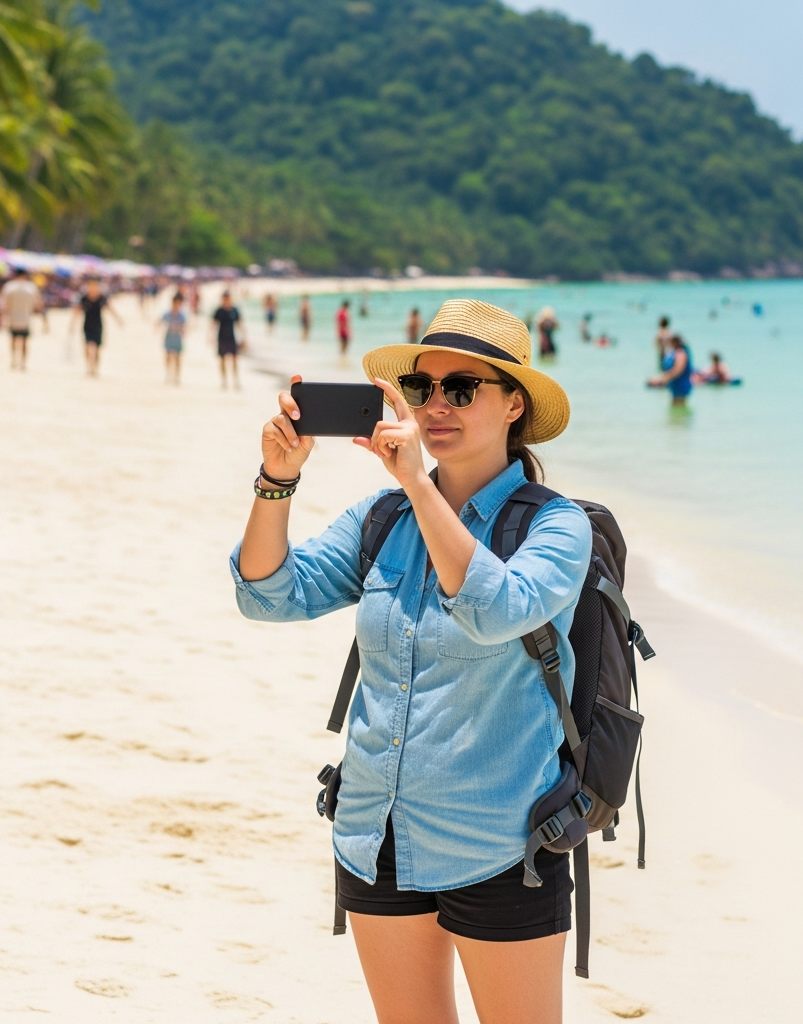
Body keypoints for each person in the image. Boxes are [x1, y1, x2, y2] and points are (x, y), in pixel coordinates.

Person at [231, 299, 590, 1024]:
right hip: (377, 831)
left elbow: (494, 610)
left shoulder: (556, 525)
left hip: (504, 842)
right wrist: (277, 481)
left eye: (462, 388)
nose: (436, 406)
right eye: (422, 388)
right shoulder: (382, 519)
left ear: (514, 404)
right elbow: (268, 596)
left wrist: (420, 485)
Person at [69, 279, 123, 377]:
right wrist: (72, 325)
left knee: (97, 349)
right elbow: (77, 311)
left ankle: (95, 368)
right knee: (89, 346)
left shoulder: (101, 298)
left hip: (98, 326)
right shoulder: (84, 298)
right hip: (87, 325)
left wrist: (118, 319)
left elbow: (110, 309)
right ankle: (89, 366)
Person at [0, 268, 42, 371]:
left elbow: (4, 304)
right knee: (24, 342)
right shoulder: (31, 287)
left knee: (13, 340)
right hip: (25, 319)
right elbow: (38, 304)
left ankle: (13, 360)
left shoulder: (9, 287)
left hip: (13, 318)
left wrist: (2, 317)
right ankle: (23, 363)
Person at [649, 333, 693, 406]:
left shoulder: (680, 353)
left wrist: (664, 379)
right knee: (675, 406)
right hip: (674, 384)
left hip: (681, 384)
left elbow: (678, 370)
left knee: (679, 405)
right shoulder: (673, 353)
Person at [212, 291, 243, 389]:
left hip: (232, 338)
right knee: (222, 360)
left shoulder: (234, 310)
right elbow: (213, 323)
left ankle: (236, 381)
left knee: (235, 360)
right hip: (221, 338)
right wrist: (210, 337)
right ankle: (224, 381)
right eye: (225, 298)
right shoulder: (219, 311)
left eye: (228, 298)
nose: (226, 300)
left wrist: (244, 337)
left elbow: (239, 324)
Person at [161, 292, 187, 385]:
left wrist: (184, 331)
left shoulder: (182, 315)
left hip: (177, 336)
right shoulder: (168, 313)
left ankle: (176, 376)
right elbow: (161, 320)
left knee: (177, 358)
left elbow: (185, 325)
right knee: (168, 356)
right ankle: (168, 374)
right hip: (169, 335)